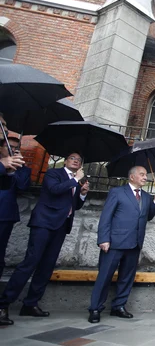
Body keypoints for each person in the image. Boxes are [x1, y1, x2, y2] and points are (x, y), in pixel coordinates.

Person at [0, 152, 89, 325]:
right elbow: (54, 190)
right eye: (72, 158)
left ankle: (31, 303)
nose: (76, 160)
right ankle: (4, 304)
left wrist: (82, 194)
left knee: (47, 266)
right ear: (66, 161)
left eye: (79, 159)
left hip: (61, 227)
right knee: (30, 262)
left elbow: (74, 205)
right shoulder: (53, 173)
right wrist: (75, 181)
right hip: (44, 223)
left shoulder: (77, 181)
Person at [88, 166, 155, 324]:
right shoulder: (117, 192)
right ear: (131, 177)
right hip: (114, 243)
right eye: (141, 175)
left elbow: (147, 216)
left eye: (145, 175)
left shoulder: (146, 196)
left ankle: (119, 306)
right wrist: (103, 239)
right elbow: (106, 217)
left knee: (126, 278)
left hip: (134, 244)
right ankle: (95, 308)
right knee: (105, 276)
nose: (145, 177)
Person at [0, 136, 30, 279]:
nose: (12, 150)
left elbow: (22, 186)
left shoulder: (22, 168)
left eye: (16, 148)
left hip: (5, 214)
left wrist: (19, 167)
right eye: (9, 147)